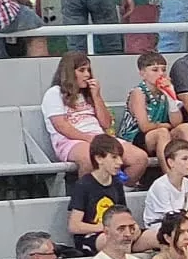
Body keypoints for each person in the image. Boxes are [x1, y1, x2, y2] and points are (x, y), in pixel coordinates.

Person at [44, 51, 150, 181]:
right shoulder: (54, 93)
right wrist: (88, 138)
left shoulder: (89, 94)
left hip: (99, 137)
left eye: (88, 70)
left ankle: (118, 191)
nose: (87, 75)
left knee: (140, 158)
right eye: (81, 70)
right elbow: (61, 126)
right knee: (90, 159)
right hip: (70, 141)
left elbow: (106, 124)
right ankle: (88, 196)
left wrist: (96, 96)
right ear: (69, 72)